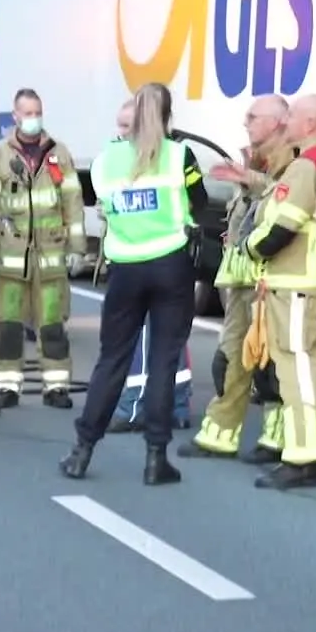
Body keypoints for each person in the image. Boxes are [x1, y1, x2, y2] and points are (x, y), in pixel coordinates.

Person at [60, 82, 209, 484]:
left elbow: (103, 204)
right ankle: (156, 459)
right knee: (163, 360)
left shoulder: (106, 160)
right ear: (168, 116)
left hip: (125, 269)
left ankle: (81, 452)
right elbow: (199, 202)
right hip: (171, 266)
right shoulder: (179, 155)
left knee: (112, 360)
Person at [245, 94, 316, 490]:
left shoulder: (306, 165)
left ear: (309, 124)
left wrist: (250, 248)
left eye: (292, 115)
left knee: (297, 373)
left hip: (297, 282)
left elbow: (284, 225)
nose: (286, 120)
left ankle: (303, 457)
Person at [177, 94, 290, 464]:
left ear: (277, 122)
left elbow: (287, 203)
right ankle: (219, 435)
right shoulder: (256, 157)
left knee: (269, 367)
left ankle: (276, 439)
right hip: (242, 283)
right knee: (227, 361)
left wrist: (250, 178)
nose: (246, 122)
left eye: (253, 116)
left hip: (270, 283)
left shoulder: (294, 160)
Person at [0, 88, 82, 407]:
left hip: (50, 259)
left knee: (52, 326)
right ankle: (6, 386)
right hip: (11, 260)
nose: (33, 119)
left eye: (37, 112)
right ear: (15, 116)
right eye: (27, 113)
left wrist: (77, 247)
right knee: (9, 327)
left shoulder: (58, 153)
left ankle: (56, 386)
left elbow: (72, 201)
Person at [104, 98, 194, 432]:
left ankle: (134, 409)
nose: (120, 132)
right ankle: (176, 406)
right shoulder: (172, 155)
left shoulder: (126, 161)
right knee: (170, 340)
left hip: (139, 264)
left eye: (126, 126)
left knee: (140, 341)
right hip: (170, 261)